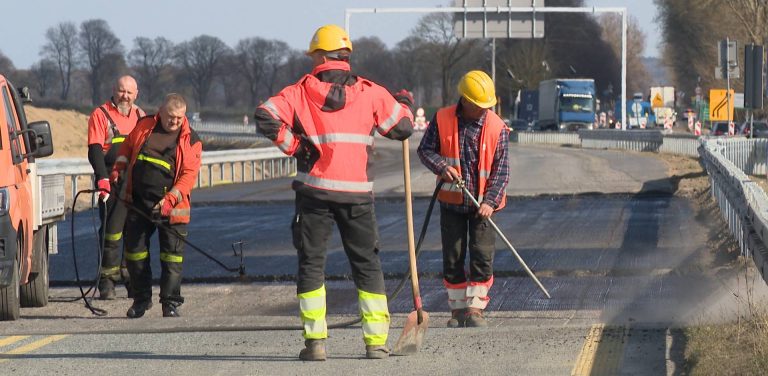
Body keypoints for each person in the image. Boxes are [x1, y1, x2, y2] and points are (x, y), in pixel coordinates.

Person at [254, 24, 414, 361]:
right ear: (345, 56)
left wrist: (295, 146)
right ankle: (375, 344)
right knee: (367, 264)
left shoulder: (298, 93)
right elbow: (402, 129)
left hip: (314, 194)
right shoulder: (371, 92)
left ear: (320, 56)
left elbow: (265, 116)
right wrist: (404, 103)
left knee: (312, 264)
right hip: (357, 195)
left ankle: (316, 343)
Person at [417, 70, 509, 328]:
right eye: (479, 106)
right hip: (452, 203)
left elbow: (502, 171)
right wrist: (441, 166)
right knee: (453, 255)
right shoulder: (443, 119)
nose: (483, 110)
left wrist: (490, 201)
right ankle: (457, 311)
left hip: (484, 207)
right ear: (465, 101)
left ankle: (475, 309)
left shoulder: (496, 127)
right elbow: (425, 150)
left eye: (486, 106)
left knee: (481, 255)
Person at [111, 93, 202, 318]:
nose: (175, 122)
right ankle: (141, 300)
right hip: (139, 203)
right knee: (135, 253)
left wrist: (169, 200)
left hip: (172, 207)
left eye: (180, 118)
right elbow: (126, 148)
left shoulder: (191, 139)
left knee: (171, 257)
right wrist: (118, 169)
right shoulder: (144, 126)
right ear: (160, 112)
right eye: (171, 117)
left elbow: (188, 176)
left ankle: (170, 303)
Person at [87, 75, 146, 300]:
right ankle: (107, 282)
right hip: (111, 181)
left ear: (136, 94)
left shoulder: (141, 116)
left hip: (135, 182)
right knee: (112, 233)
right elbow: (94, 150)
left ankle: (130, 278)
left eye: (129, 93)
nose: (125, 96)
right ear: (114, 90)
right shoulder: (100, 115)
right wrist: (102, 178)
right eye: (122, 91)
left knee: (134, 232)